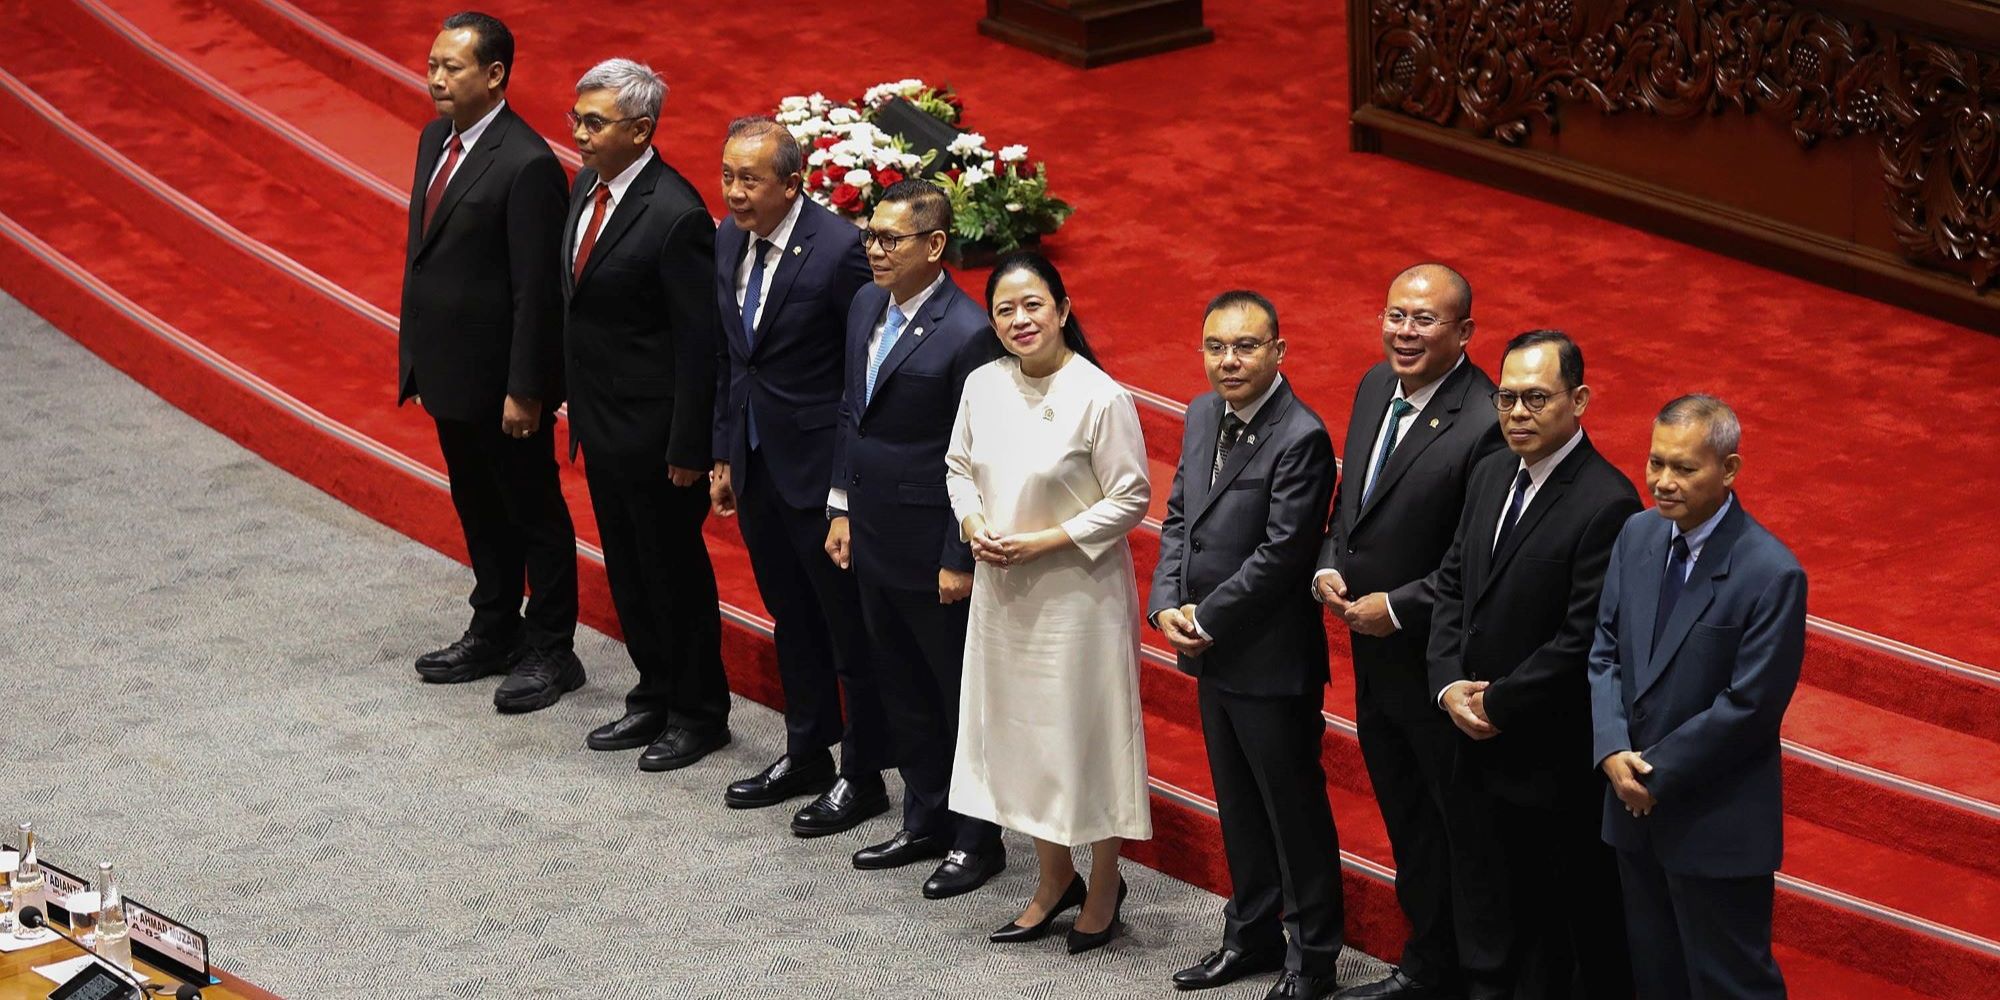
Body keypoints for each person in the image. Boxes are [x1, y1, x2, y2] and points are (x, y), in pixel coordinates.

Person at [944, 252, 1152, 954]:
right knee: (1024, 737)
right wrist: (974, 526)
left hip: (1078, 599)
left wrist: (1048, 541)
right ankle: (1051, 877)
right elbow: (958, 468)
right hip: (1004, 594)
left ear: (1062, 310)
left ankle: (1103, 885)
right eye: (1005, 309)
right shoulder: (982, 385)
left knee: (1083, 738)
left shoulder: (1101, 396)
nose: (1019, 319)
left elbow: (1132, 498)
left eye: (1033, 304)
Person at [1428, 330, 1641, 999]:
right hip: (1471, 742)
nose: (1517, 412)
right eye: (1507, 398)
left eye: (1536, 398)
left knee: (1550, 929)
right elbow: (1453, 583)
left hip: (1547, 759)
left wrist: (1497, 703)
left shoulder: (1608, 502)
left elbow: (1582, 639)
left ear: (1578, 400)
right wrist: (1445, 685)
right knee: (1484, 907)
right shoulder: (1492, 470)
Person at [1317, 266, 1507, 1000]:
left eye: (1424, 321)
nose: (1404, 332)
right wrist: (1329, 565)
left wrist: (1396, 607)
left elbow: (1477, 558)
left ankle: (1476, 976)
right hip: (1374, 660)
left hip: (1441, 664)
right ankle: (1427, 965)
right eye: (1395, 315)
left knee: (1459, 829)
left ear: (1463, 333)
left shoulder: (1488, 420)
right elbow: (1350, 506)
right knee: (1407, 820)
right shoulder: (1374, 387)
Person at [1151, 292, 1345, 1000]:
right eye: (1215, 347)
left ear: (1278, 352)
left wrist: (1206, 616)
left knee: (1292, 814)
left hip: (1268, 658)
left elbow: (1283, 555)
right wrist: (1165, 601)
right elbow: (1180, 515)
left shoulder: (1301, 436)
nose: (1228, 360)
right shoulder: (1204, 414)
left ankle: (1314, 957)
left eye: (1245, 347)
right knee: (1238, 807)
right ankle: (1251, 934)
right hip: (1210, 651)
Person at [708, 116, 891, 834]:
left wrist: (848, 487)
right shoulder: (727, 239)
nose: (734, 192)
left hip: (821, 476)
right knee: (792, 618)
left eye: (749, 179)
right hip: (757, 464)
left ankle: (865, 773)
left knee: (847, 627)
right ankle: (808, 749)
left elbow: (860, 377)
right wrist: (726, 449)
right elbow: (734, 358)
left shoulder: (841, 252)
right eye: (727, 175)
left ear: (793, 183)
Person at [827, 180, 1007, 898]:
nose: (872, 250)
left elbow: (979, 455)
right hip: (871, 533)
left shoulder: (968, 333)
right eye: (869, 235)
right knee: (901, 687)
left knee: (952, 696)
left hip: (934, 547)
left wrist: (956, 556)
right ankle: (925, 818)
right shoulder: (867, 303)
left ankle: (976, 839)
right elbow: (852, 411)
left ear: (934, 246)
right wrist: (840, 506)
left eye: (888, 239)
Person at [1591, 395, 1803, 1000]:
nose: (1662, 481)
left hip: (1713, 822)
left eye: (1684, 468)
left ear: (1729, 470)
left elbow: (1750, 707)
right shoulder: (1636, 534)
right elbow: (1605, 647)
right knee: (1656, 979)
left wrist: (1650, 773)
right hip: (1631, 811)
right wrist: (1611, 750)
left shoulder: (1771, 572)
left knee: (1729, 986)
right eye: (1655, 463)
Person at [398, 11, 580, 712]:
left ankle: (553, 648)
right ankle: (496, 624)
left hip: (505, 384)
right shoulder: (431, 139)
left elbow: (537, 290)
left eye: (453, 67)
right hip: (448, 371)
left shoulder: (527, 162)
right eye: (433, 64)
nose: (436, 78)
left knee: (532, 509)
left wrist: (527, 387)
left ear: (495, 74)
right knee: (476, 503)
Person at [560, 58, 729, 772]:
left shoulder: (677, 214)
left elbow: (699, 345)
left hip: (660, 440)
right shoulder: (586, 187)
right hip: (602, 425)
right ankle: (653, 691)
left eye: (593, 123)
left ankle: (698, 711)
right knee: (629, 570)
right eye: (577, 118)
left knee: (673, 575)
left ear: (641, 130)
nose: (578, 133)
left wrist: (691, 446)